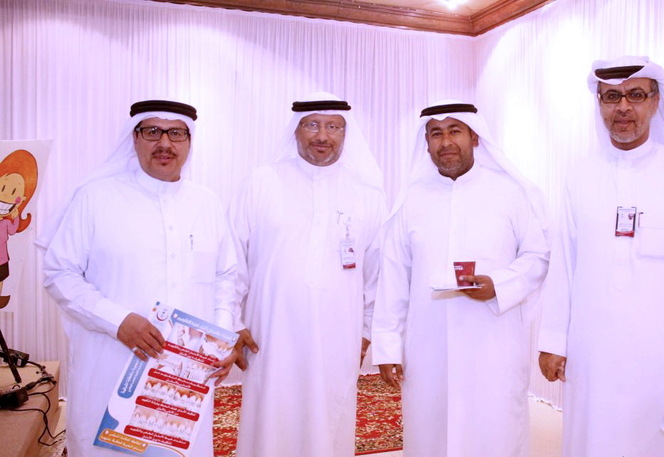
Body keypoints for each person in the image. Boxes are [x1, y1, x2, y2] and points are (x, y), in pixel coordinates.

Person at [538, 56, 664, 457]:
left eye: (636, 95)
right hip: (593, 353)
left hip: (663, 356)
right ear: (600, 104)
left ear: (655, 101)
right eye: (612, 97)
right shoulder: (579, 175)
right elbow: (564, 266)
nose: (623, 107)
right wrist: (553, 340)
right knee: (593, 441)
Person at [41, 100, 239, 457]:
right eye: (152, 132)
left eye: (176, 133)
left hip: (184, 381)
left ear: (189, 141)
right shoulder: (95, 198)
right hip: (110, 365)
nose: (165, 143)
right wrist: (117, 321)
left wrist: (221, 337)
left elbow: (225, 276)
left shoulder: (207, 203)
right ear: (135, 138)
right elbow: (60, 273)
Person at [371, 101, 550, 457]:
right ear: (426, 143)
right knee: (431, 432)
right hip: (427, 347)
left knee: (494, 432)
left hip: (493, 344)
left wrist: (499, 285)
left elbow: (538, 256)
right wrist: (387, 345)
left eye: (455, 131)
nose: (446, 142)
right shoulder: (411, 200)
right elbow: (393, 278)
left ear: (475, 137)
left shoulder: (510, 193)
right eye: (436, 134)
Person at [230, 92, 386, 457]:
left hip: (339, 334)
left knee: (329, 420)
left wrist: (366, 331)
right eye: (312, 125)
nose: (322, 136)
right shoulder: (261, 183)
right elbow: (232, 259)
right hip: (270, 332)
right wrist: (231, 322)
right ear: (296, 130)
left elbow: (378, 272)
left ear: (346, 133)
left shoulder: (367, 194)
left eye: (333, 127)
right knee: (271, 420)